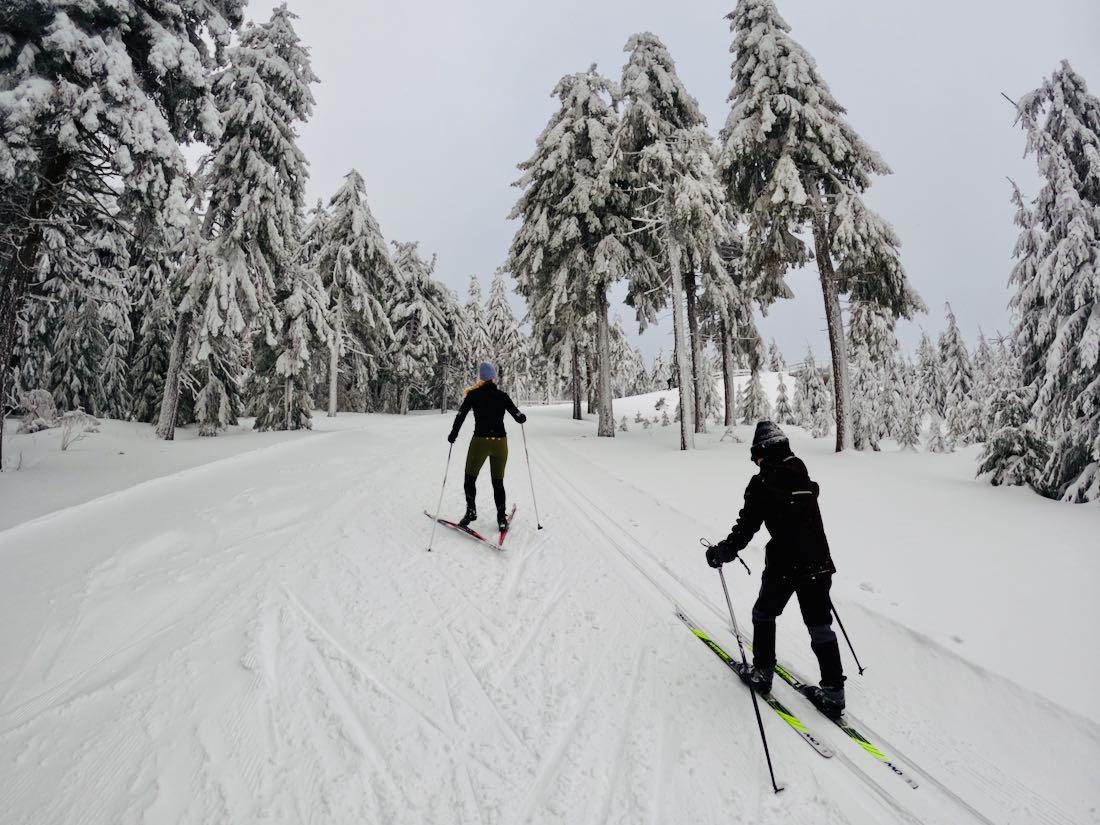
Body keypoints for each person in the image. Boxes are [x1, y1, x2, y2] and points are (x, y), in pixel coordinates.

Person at [704, 420, 846, 718]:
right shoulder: (802, 472)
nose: (756, 462)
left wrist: (722, 552)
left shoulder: (762, 483)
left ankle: (763, 674)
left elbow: (746, 528)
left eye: (756, 457)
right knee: (820, 626)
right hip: (820, 562)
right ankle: (834, 694)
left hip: (785, 564)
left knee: (764, 615)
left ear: (762, 453)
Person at [448, 362, 527, 532]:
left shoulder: (473, 395)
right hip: (500, 444)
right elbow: (517, 414)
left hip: (480, 443)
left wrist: (453, 434)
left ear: (480, 378)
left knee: (470, 479)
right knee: (497, 482)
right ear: (493, 377)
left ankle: (470, 512)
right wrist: (521, 417)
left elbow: (460, 416)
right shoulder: (502, 396)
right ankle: (501, 518)